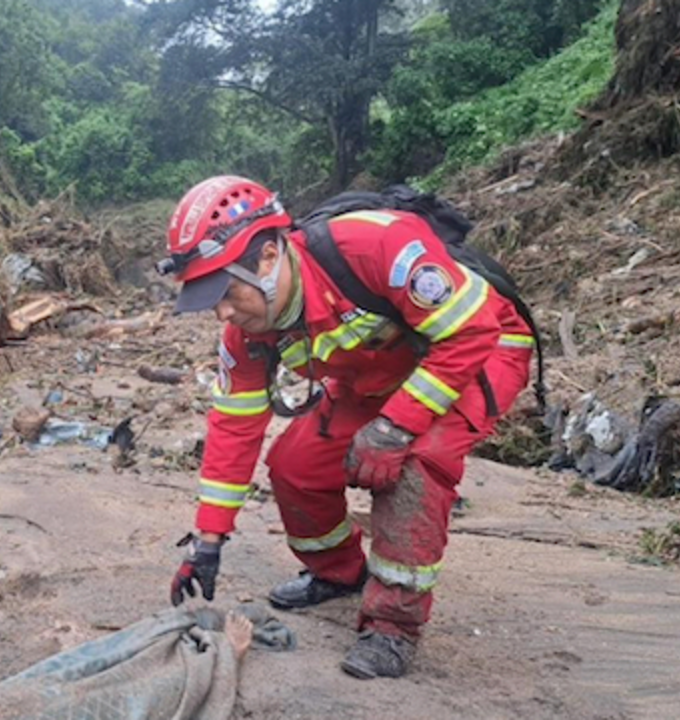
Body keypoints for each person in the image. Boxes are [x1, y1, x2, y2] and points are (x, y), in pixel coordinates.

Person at [163, 176, 534, 679]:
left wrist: (396, 427)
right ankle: (338, 573)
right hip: (381, 371)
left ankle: (393, 626)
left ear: (268, 257)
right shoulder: (246, 332)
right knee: (295, 466)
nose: (223, 312)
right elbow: (234, 428)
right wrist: (208, 540)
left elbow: (469, 333)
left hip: (477, 350)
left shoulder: (374, 245)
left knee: (416, 463)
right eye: (211, 301)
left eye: (227, 293)